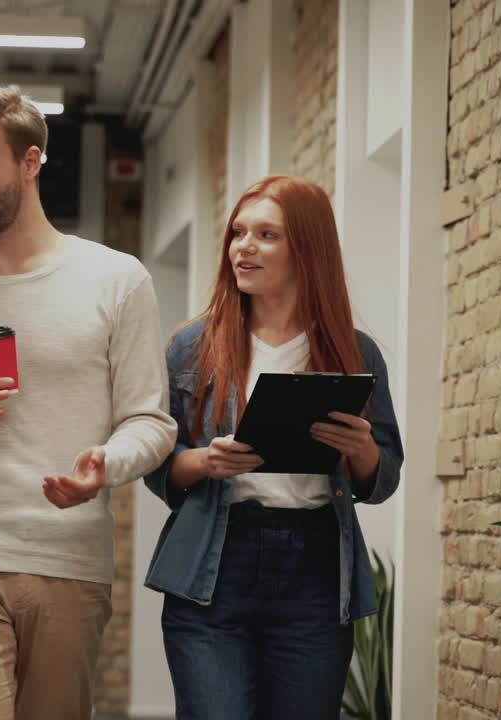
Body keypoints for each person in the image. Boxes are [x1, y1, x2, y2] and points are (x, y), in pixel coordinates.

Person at [0, 83, 177, 720]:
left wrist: (108, 462)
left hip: (70, 554)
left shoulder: (116, 280)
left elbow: (151, 420)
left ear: (30, 161)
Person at [143, 175, 404, 719]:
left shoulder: (356, 353)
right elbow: (156, 464)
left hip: (314, 570)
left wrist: (360, 449)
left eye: (266, 234)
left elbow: (383, 477)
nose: (244, 246)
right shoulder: (192, 346)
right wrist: (205, 461)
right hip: (215, 565)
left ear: (307, 249)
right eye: (238, 233)